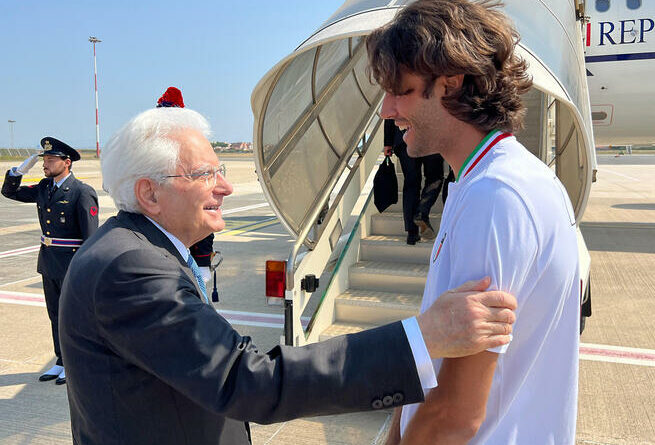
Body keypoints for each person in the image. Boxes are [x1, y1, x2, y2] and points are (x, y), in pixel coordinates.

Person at [58, 106, 518, 445]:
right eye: (204, 174)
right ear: (149, 194)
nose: (226, 185)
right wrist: (421, 338)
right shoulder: (130, 267)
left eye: (220, 169)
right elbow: (247, 381)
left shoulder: (140, 248)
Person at [367, 1, 580, 444]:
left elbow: (455, 413)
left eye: (401, 90)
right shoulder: (488, 180)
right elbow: (438, 363)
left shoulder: (497, 196)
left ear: (451, 83)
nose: (387, 110)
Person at [1, 137, 98, 385]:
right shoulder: (45, 188)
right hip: (49, 261)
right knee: (55, 314)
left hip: (72, 263)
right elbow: (9, 192)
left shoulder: (82, 192)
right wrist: (20, 170)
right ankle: (61, 360)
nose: (45, 164)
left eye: (50, 160)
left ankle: (75, 362)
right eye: (44, 159)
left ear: (67, 163)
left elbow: (90, 236)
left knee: (72, 316)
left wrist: (87, 271)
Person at [157, 86, 217, 286]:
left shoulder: (193, 151)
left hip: (188, 246)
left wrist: (202, 261)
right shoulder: (149, 153)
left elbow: (203, 208)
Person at [384, 118, 443, 244]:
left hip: (403, 137)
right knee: (435, 177)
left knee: (411, 182)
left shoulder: (396, 96)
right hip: (430, 135)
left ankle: (412, 233)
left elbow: (390, 112)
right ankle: (422, 211)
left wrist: (388, 142)